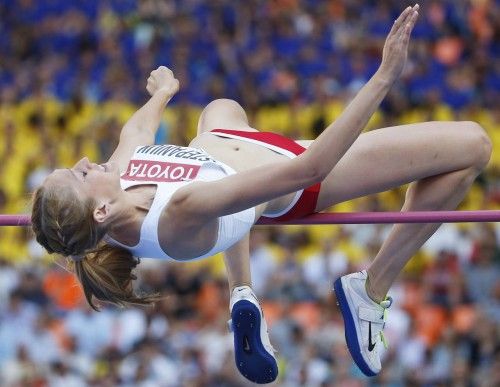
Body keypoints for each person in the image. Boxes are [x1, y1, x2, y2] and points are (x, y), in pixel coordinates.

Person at [31, 4, 492, 382]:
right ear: (102, 210)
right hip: (296, 172)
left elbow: (135, 133)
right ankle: (369, 290)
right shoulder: (179, 211)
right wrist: (384, 78)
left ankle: (242, 294)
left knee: (220, 107)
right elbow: (310, 167)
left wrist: (162, 95)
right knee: (472, 146)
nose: (84, 163)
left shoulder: (117, 181)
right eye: (78, 175)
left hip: (229, 143)